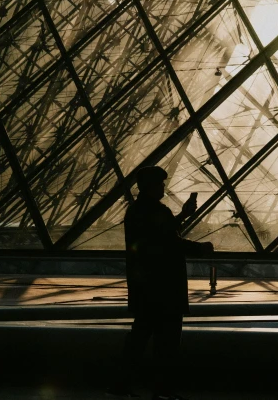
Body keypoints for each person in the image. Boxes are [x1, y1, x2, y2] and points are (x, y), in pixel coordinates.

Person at [107, 165, 214, 400]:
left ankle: (121, 384)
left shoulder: (137, 211)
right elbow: (168, 242)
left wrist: (184, 215)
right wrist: (201, 248)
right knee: (167, 342)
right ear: (151, 186)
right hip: (164, 287)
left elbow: (160, 234)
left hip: (145, 286)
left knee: (139, 337)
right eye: (161, 183)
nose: (164, 187)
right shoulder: (155, 210)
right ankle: (163, 390)